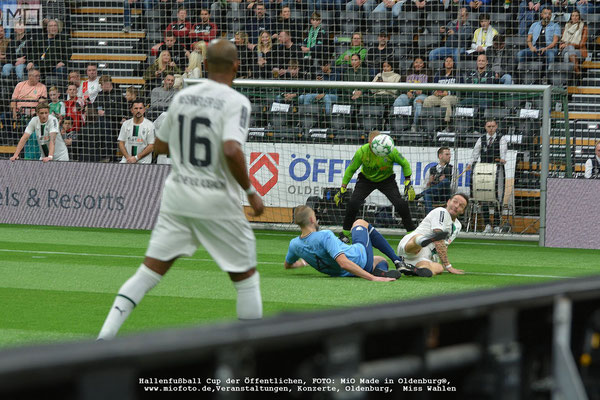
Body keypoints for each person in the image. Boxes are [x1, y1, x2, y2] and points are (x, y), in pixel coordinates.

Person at [97, 39, 265, 340]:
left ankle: (103, 339)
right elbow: (230, 148)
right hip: (215, 199)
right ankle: (249, 354)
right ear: (236, 66)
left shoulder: (183, 97)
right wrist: (251, 191)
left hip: (178, 195)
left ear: (205, 65)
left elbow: (160, 145)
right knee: (246, 279)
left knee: (147, 274)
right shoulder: (237, 101)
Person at [285, 205, 417, 281]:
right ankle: (398, 261)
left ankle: (381, 270)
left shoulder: (294, 245)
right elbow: (343, 262)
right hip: (359, 259)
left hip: (347, 272)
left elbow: (288, 265)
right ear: (311, 219)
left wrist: (302, 262)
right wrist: (373, 278)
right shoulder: (324, 235)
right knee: (360, 223)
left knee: (381, 260)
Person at [335, 131, 417, 243]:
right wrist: (342, 188)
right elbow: (351, 169)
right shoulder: (362, 151)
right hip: (366, 180)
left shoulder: (389, 150)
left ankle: (411, 233)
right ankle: (344, 233)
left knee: (400, 204)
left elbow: (405, 164)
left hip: (387, 180)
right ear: (369, 142)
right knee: (353, 203)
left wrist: (408, 182)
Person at [397, 193, 468, 275]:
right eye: (455, 202)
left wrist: (442, 264)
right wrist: (448, 266)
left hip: (423, 255)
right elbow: (438, 241)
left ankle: (414, 269)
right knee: (419, 239)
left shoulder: (458, 226)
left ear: (462, 211)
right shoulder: (441, 212)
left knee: (439, 268)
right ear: (448, 202)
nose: (456, 206)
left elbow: (444, 245)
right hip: (410, 246)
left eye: (461, 206)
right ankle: (420, 240)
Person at [466, 118, 509, 233]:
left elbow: (503, 153)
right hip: (484, 171)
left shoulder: (502, 139)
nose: (491, 129)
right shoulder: (481, 139)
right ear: (485, 127)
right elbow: (475, 153)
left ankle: (496, 224)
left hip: (498, 171)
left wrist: (502, 159)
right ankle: (487, 224)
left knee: (497, 199)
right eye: (488, 126)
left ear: (496, 127)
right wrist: (470, 164)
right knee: (483, 197)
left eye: (493, 126)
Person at [422, 56, 461, 128]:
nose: (448, 63)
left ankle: (447, 125)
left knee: (445, 100)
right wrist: (434, 92)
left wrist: (449, 92)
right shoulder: (439, 74)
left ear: (454, 63)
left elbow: (461, 88)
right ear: (444, 63)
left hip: (453, 97)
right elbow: (433, 86)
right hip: (439, 96)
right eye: (447, 61)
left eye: (450, 61)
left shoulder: (458, 74)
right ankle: (427, 124)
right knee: (428, 100)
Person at [393, 56, 429, 132]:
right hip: (409, 95)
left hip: (422, 95)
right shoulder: (408, 73)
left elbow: (432, 87)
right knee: (399, 100)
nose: (418, 64)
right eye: (416, 62)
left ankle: (415, 126)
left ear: (424, 64)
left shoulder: (429, 72)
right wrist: (407, 92)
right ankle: (399, 126)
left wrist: (423, 91)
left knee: (418, 102)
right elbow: (400, 87)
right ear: (413, 64)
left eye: (420, 63)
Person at [417, 147, 454, 213]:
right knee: (427, 195)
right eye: (447, 154)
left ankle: (420, 195)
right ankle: (431, 217)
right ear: (440, 156)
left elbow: (454, 188)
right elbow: (425, 187)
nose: (450, 156)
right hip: (434, 195)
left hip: (445, 195)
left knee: (446, 181)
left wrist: (442, 183)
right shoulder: (431, 169)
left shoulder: (453, 169)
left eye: (450, 154)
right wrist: (429, 182)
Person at [118, 100, 155, 164]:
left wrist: (136, 158)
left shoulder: (150, 125)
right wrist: (127, 157)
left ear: (144, 110)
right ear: (131, 110)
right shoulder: (125, 124)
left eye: (140, 108)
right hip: (126, 160)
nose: (138, 111)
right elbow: (121, 143)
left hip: (143, 162)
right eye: (136, 108)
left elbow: (151, 146)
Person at [559, 10, 588, 78]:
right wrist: (563, 45)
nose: (574, 17)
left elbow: (581, 44)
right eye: (573, 16)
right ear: (571, 17)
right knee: (568, 50)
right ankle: (577, 71)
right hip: (565, 49)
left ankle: (569, 78)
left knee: (567, 54)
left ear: (579, 17)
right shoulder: (567, 26)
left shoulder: (584, 27)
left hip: (579, 50)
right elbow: (562, 41)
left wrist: (568, 45)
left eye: (576, 16)